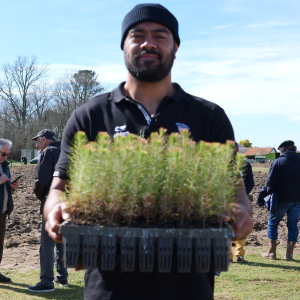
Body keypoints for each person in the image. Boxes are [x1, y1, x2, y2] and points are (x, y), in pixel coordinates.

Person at [44, 4, 253, 300]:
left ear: (176, 47)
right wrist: (55, 209)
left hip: (190, 288)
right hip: (107, 290)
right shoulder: (90, 115)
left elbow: (237, 194)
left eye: (160, 35)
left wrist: (242, 214)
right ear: (124, 45)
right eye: (137, 34)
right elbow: (58, 188)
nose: (148, 42)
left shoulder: (209, 116)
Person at [28, 130, 68, 293]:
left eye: (37, 141)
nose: (37, 145)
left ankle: (46, 281)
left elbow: (42, 181)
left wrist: (40, 197)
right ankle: (62, 276)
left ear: (45, 139)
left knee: (46, 242)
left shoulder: (47, 153)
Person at [262, 140, 300, 261]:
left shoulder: (278, 162)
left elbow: (270, 182)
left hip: (281, 200)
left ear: (283, 150)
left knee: (273, 223)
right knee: (293, 225)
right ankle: (289, 255)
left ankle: (271, 252)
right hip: (297, 200)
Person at [230, 142, 254, 263]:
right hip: (242, 202)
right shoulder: (246, 164)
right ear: (238, 149)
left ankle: (228, 256)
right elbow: (250, 183)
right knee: (242, 225)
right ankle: (239, 255)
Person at [0, 138, 19, 282]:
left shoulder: (5, 165)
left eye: (8, 154)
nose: (6, 157)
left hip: (3, 211)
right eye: (3, 154)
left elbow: (7, 190)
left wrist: (12, 188)